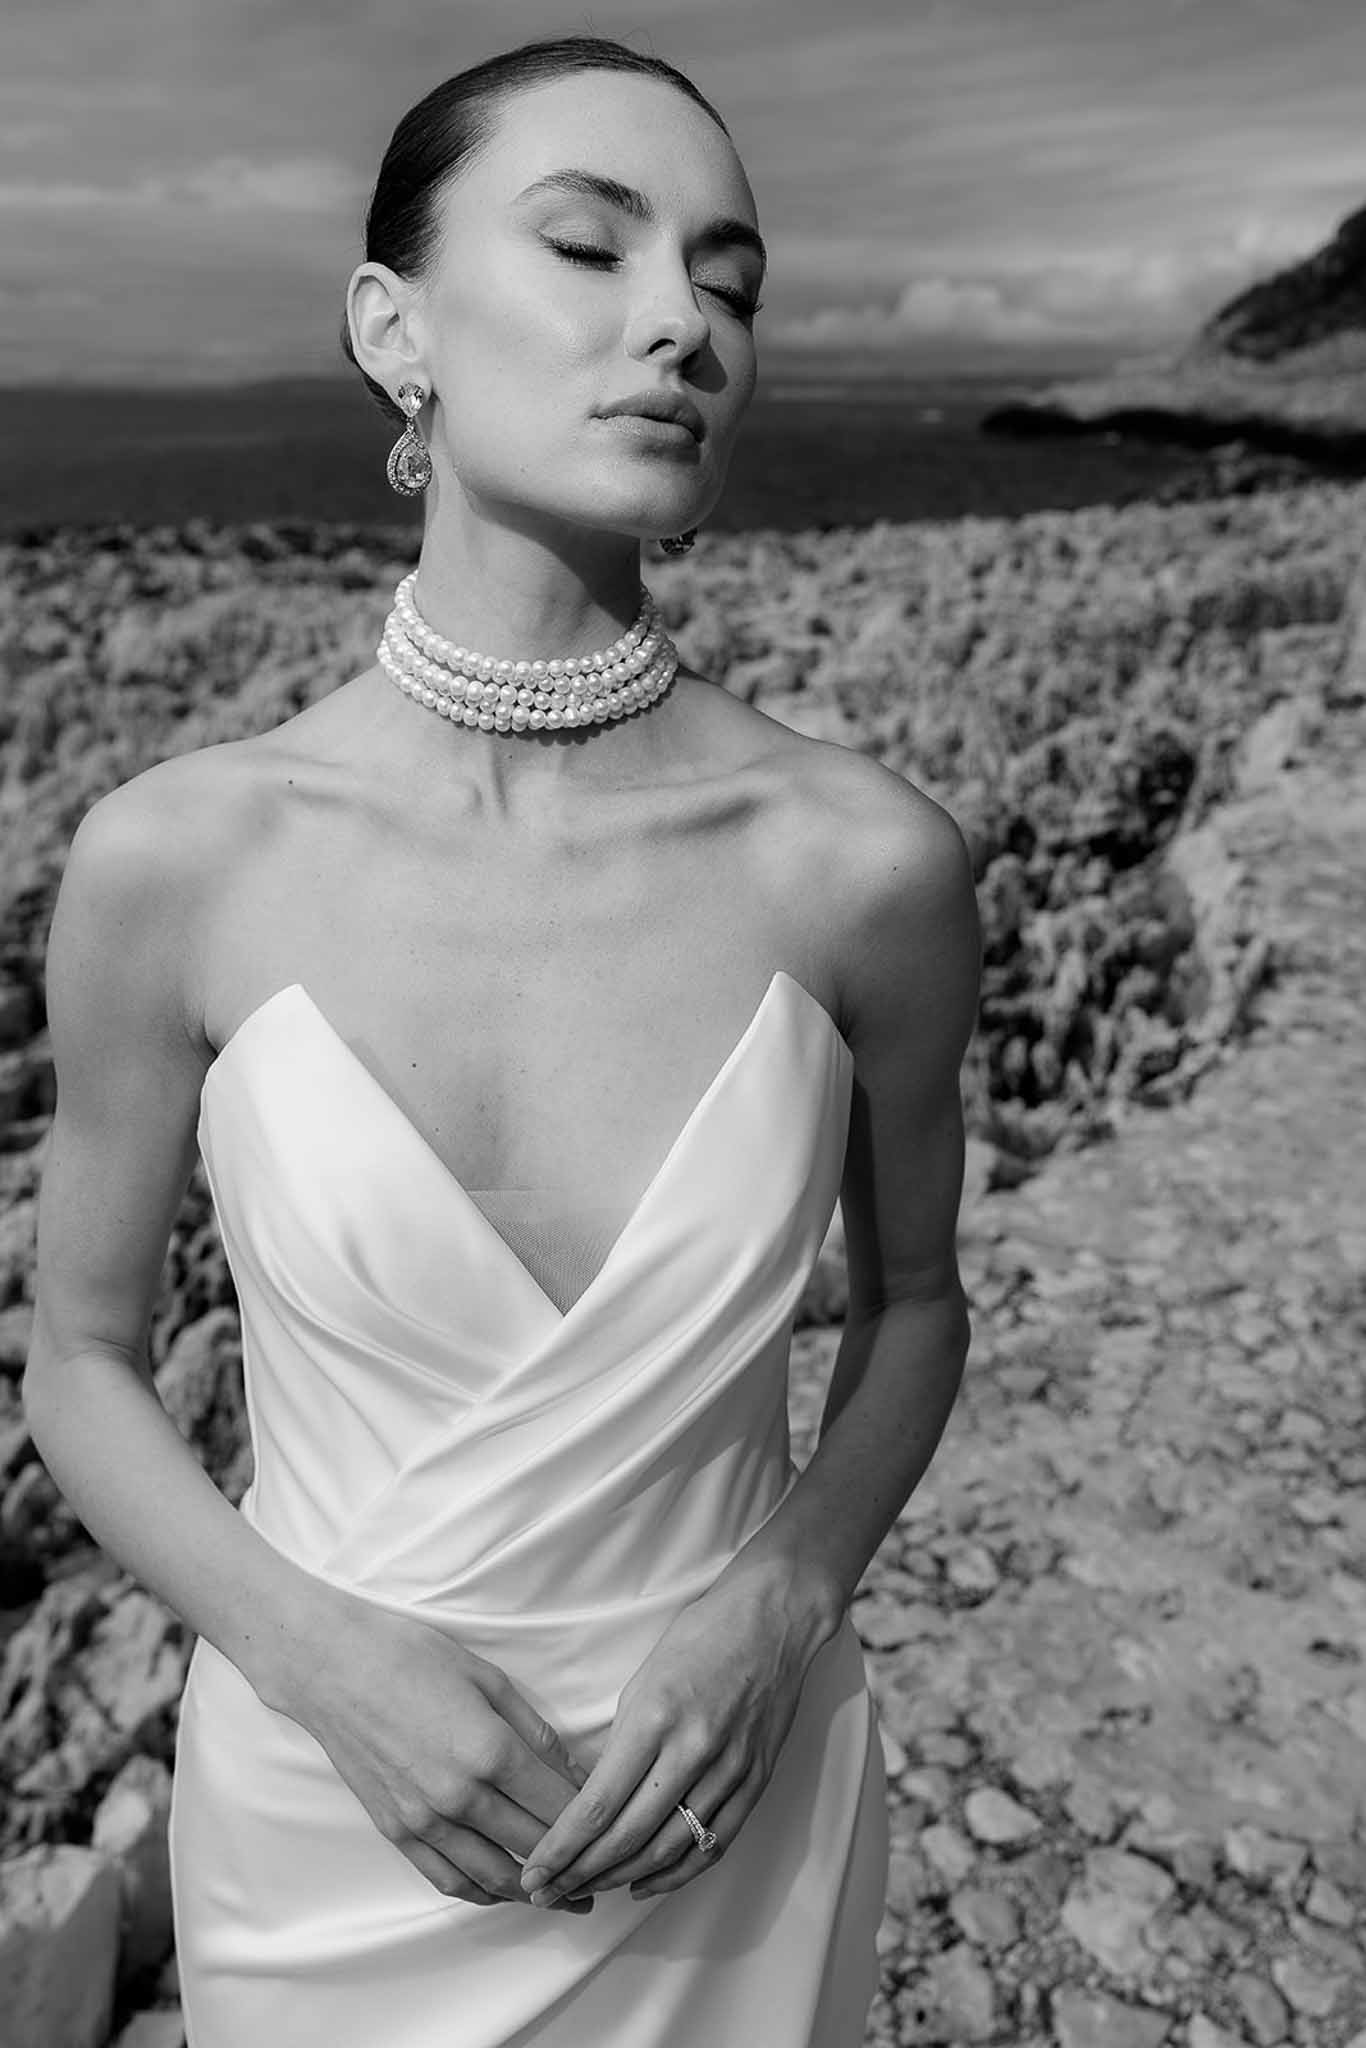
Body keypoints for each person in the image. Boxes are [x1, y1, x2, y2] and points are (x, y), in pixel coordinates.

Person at [22, 32, 980, 2048]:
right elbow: (84, 1365)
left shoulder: (861, 865)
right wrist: (312, 1653)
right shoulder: (174, 858)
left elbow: (914, 1310)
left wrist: (785, 1595)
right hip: (322, 1819)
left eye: (728, 281)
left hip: (726, 1800)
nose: (681, 327)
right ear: (394, 327)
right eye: (584, 245)